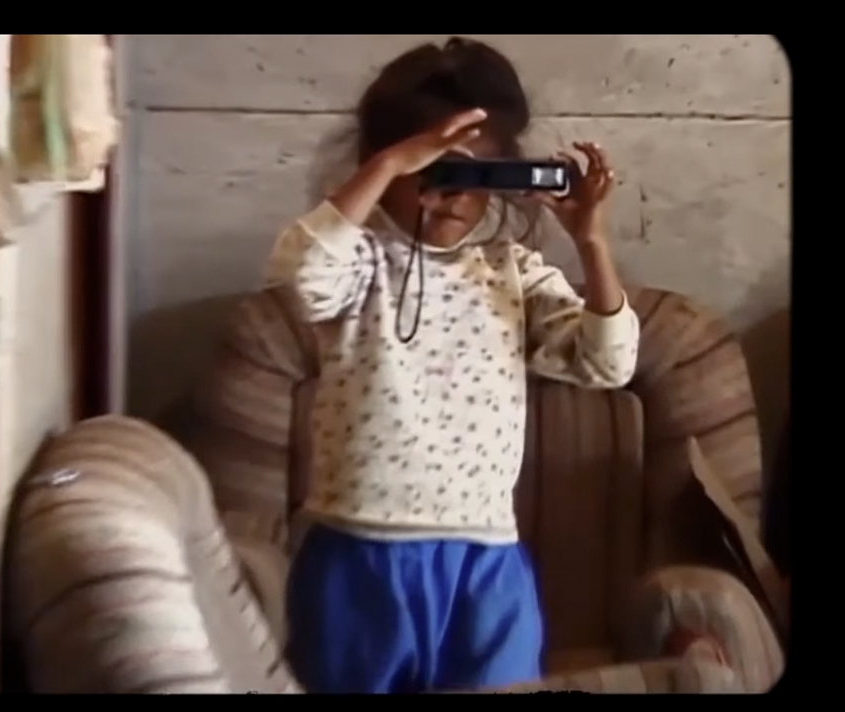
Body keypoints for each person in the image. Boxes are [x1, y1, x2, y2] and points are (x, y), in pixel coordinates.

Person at [264, 38, 641, 693]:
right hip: (358, 550)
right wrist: (388, 165)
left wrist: (591, 243)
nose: (448, 194)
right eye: (430, 170)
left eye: (471, 175)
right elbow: (300, 277)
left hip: (486, 557)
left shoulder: (513, 274)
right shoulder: (360, 265)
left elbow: (608, 363)